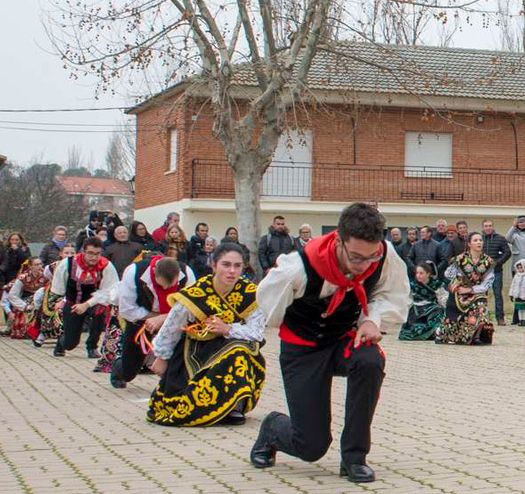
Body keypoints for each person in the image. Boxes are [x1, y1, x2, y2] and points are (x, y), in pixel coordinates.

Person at [248, 203, 407, 483]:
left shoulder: (383, 255)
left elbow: (390, 294)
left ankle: (354, 457)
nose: (364, 265)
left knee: (370, 360)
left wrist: (371, 320)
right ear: (338, 240)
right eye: (356, 257)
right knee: (311, 446)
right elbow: (269, 309)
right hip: (303, 349)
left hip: (342, 339)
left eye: (370, 257)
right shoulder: (298, 267)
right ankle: (273, 429)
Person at [147, 242, 265, 426]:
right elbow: (172, 326)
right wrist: (161, 357)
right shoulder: (196, 293)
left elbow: (257, 332)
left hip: (231, 346)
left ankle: (235, 406)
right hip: (196, 349)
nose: (232, 271)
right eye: (226, 265)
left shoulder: (251, 294)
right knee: (177, 400)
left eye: (237, 266)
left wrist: (227, 329)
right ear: (214, 265)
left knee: (240, 350)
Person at [110, 250, 196, 388]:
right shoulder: (134, 272)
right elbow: (127, 310)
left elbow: (191, 307)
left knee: (178, 358)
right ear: (154, 271)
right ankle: (119, 369)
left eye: (170, 286)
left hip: (175, 320)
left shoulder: (187, 274)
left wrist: (164, 318)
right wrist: (155, 317)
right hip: (141, 319)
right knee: (129, 370)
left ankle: (172, 386)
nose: (166, 288)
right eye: (161, 285)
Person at [49, 237, 121, 358]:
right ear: (83, 251)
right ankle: (62, 343)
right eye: (90, 253)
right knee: (71, 343)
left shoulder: (106, 266)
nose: (94, 257)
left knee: (100, 312)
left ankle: (92, 346)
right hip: (73, 302)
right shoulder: (68, 263)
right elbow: (58, 288)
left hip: (94, 302)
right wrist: (61, 301)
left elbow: (109, 291)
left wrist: (86, 304)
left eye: (97, 254)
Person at [437, 232, 496, 345]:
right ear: (469, 244)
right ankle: (454, 334)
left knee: (480, 303)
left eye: (480, 240)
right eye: (475, 240)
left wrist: (470, 290)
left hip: (477, 292)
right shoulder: (460, 259)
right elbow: (448, 274)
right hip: (460, 293)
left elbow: (486, 284)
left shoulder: (488, 261)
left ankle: (476, 335)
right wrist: (458, 282)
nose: (479, 242)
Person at [32, 245, 75, 348]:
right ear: (61, 254)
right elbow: (47, 275)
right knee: (47, 315)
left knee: (66, 316)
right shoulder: (52, 266)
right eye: (66, 253)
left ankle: (64, 339)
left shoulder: (77, 267)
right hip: (54, 293)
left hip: (70, 293)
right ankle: (41, 337)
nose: (69, 255)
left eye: (72, 253)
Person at [398, 262, 447, 341]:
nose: (418, 275)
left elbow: (442, 297)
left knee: (438, 310)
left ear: (428, 274)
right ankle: (418, 333)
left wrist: (446, 308)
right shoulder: (413, 285)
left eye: (421, 273)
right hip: (416, 307)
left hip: (431, 307)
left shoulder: (435, 284)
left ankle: (433, 333)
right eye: (417, 273)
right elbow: (407, 299)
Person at [0, 258, 45, 340]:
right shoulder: (23, 278)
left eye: (40, 264)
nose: (39, 266)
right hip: (26, 302)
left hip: (42, 300)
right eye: (36, 264)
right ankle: (25, 331)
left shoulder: (46, 276)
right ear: (30, 266)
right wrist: (24, 306)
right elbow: (12, 295)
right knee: (25, 311)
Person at [480, 220, 510, 325]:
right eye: (486, 226)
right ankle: (482, 317)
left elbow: (507, 252)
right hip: (482, 272)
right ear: (483, 227)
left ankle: (500, 318)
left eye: (490, 225)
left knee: (498, 295)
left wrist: (498, 262)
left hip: (496, 271)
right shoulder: (479, 239)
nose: (488, 228)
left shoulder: (500, 238)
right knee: (482, 295)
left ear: (493, 227)